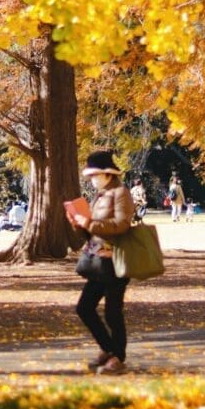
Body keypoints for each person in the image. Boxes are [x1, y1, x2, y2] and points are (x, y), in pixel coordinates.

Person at [66, 150, 135, 376]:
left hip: (116, 260)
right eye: (90, 176)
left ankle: (118, 358)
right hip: (98, 259)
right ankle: (109, 350)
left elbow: (122, 224)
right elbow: (95, 229)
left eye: (95, 175)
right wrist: (80, 223)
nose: (92, 180)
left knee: (113, 312)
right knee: (84, 308)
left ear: (107, 174)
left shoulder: (120, 193)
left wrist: (90, 223)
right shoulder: (100, 196)